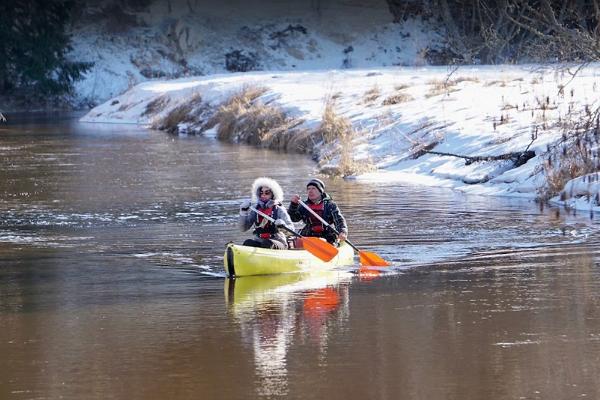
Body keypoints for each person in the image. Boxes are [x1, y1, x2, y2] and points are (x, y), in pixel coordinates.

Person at [239, 177, 295, 249]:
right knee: (248, 243)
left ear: (273, 194)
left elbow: (292, 231)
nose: (263, 195)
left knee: (267, 243)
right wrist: (243, 213)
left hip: (278, 241)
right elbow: (243, 229)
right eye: (261, 192)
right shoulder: (256, 210)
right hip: (259, 241)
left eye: (267, 193)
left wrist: (282, 226)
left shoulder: (279, 209)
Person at [288, 178, 348, 244]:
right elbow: (294, 219)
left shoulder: (330, 205)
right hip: (309, 235)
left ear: (320, 191)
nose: (310, 191)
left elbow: (339, 221)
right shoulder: (304, 205)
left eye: (313, 188)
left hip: (327, 236)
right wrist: (293, 205)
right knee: (297, 242)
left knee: (323, 241)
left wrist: (342, 232)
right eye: (308, 189)